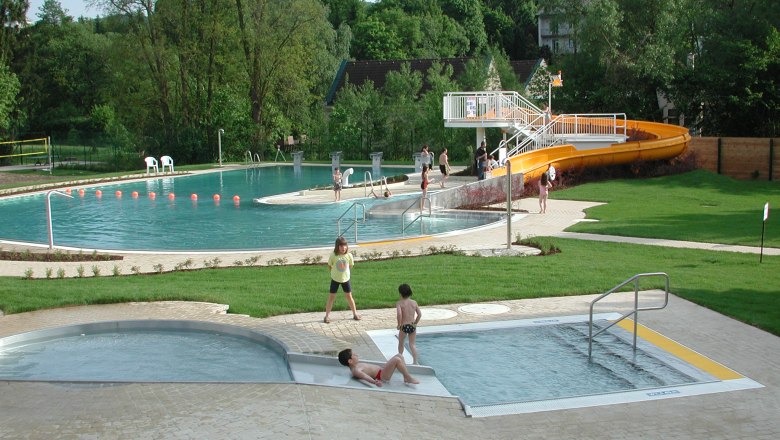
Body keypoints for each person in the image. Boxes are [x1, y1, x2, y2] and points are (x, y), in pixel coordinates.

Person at [324, 237, 360, 323]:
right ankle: (327, 316)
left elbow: (350, 265)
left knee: (349, 297)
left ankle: (355, 314)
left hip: (345, 279)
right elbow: (329, 265)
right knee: (331, 297)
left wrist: (345, 273)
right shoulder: (333, 255)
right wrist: (333, 272)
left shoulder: (349, 255)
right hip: (335, 279)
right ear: (337, 247)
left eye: (345, 246)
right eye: (341, 246)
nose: (343, 248)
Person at [338, 348, 419, 386]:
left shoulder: (356, 366)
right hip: (382, 376)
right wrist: (375, 382)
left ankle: (405, 375)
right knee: (397, 359)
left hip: (382, 371)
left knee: (399, 355)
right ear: (350, 361)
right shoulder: (356, 370)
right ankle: (408, 378)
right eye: (354, 355)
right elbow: (365, 377)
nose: (356, 355)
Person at [396, 283, 421, 365]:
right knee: (412, 344)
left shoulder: (399, 303)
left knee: (401, 343)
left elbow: (399, 314)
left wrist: (399, 324)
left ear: (400, 293)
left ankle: (401, 359)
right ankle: (415, 361)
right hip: (412, 325)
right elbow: (419, 314)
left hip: (404, 326)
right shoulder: (414, 302)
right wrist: (415, 323)